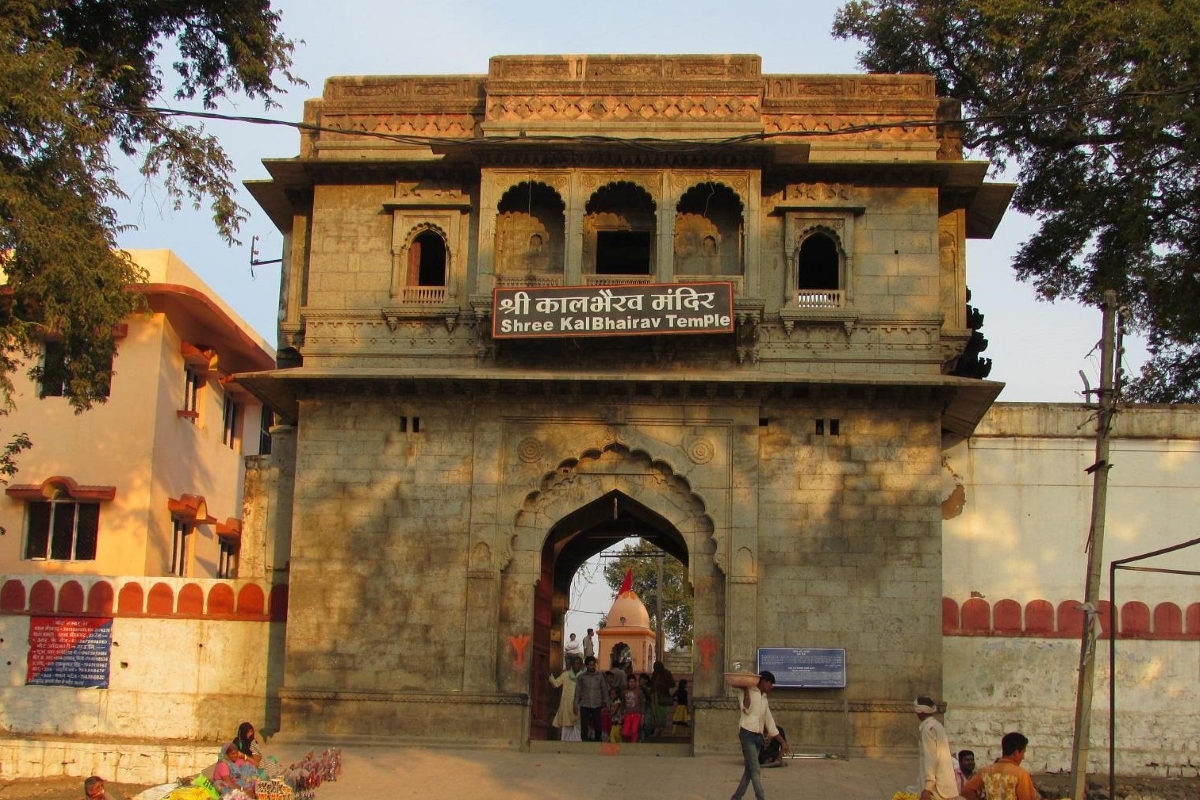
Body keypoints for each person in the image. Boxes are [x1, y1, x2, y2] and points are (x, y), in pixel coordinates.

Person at [731, 670, 791, 800]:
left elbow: (770, 724)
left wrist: (783, 742)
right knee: (755, 769)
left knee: (749, 770)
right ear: (763, 682)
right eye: (771, 684)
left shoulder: (764, 699)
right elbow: (746, 709)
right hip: (746, 734)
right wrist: (746, 690)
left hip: (758, 737)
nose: (772, 687)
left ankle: (736, 798)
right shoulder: (745, 692)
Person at [961, 732, 1041, 800]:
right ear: (1016, 753)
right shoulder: (1020, 774)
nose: (1023, 757)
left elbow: (966, 790)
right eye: (1023, 753)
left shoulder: (985, 771)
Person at [915, 696, 959, 800]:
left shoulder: (927, 729)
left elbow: (930, 758)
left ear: (920, 712)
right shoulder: (937, 725)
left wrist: (928, 788)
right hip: (946, 785)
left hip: (937, 789)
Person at [575, 655, 607, 742]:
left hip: (596, 704)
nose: (592, 667)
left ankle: (597, 742)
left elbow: (604, 690)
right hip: (584, 703)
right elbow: (577, 691)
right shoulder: (581, 677)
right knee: (584, 725)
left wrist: (607, 703)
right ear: (586, 666)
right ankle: (584, 743)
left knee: (598, 725)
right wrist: (575, 704)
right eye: (590, 665)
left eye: (593, 665)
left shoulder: (600, 676)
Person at [549, 656, 581, 741]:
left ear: (580, 665)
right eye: (574, 663)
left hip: (578, 704)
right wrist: (550, 676)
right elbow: (556, 684)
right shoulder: (565, 675)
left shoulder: (582, 676)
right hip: (566, 704)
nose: (576, 666)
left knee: (577, 725)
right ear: (571, 665)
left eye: (578, 664)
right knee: (566, 724)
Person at [650, 660, 676, 734]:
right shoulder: (654, 674)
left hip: (663, 695)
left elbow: (672, 684)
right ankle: (656, 727)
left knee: (662, 714)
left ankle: (660, 728)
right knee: (655, 713)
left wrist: (663, 684)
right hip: (655, 696)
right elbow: (651, 684)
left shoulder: (667, 673)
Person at [620, 674, 643, 743]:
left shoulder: (639, 692)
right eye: (630, 682)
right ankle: (626, 744)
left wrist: (642, 716)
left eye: (633, 682)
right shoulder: (624, 692)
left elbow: (642, 703)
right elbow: (623, 704)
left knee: (634, 730)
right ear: (627, 682)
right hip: (627, 715)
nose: (632, 683)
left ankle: (633, 745)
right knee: (625, 732)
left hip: (637, 714)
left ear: (636, 682)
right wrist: (621, 714)